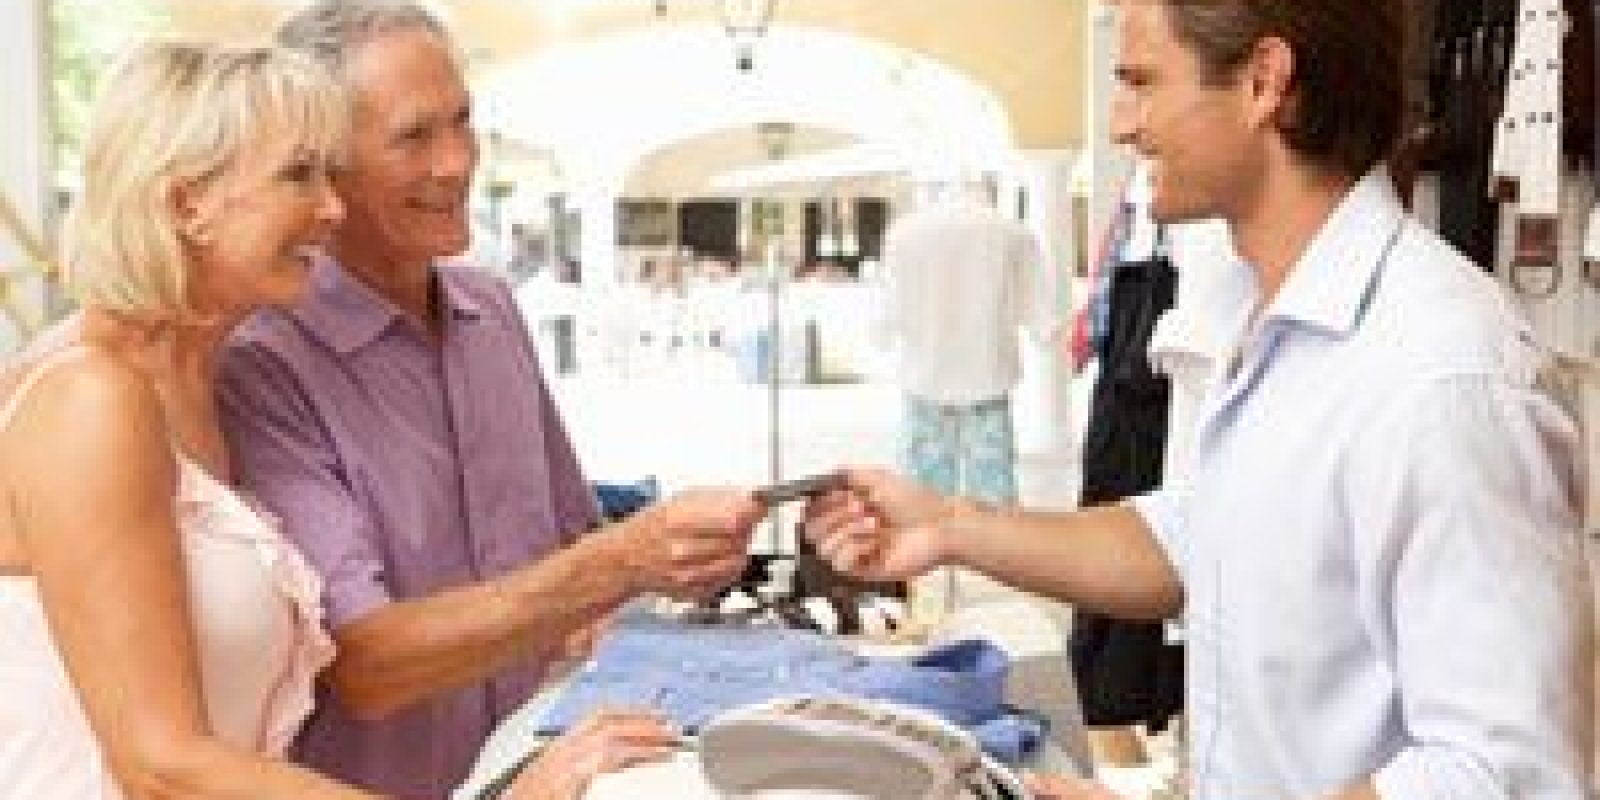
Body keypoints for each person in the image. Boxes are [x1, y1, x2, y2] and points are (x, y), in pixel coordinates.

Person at [805, 1, 1594, 798]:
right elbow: (1198, 539)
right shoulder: (1265, 314)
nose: (1121, 124)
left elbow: (1499, 772)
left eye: (1142, 83)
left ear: (1263, 82)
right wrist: (950, 525)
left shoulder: (1439, 375)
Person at [0, 39, 676, 800]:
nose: (331, 206)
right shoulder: (91, 399)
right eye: (299, 175)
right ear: (189, 204)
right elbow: (163, 766)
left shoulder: (199, 389)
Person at [216, 2, 764, 796]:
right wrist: (621, 560)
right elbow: (365, 665)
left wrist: (670, 565)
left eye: (463, 121)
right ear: (324, 171)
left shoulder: (491, 312)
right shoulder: (264, 361)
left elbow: (573, 551)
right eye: (414, 137)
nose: (457, 161)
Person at [877, 171, 1060, 505]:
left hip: (926, 371)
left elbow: (888, 307)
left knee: (925, 487)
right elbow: (1040, 307)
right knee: (992, 486)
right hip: (987, 368)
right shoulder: (1012, 232)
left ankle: (928, 546)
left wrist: (883, 334)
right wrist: (1045, 331)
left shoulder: (904, 233)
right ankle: (990, 549)